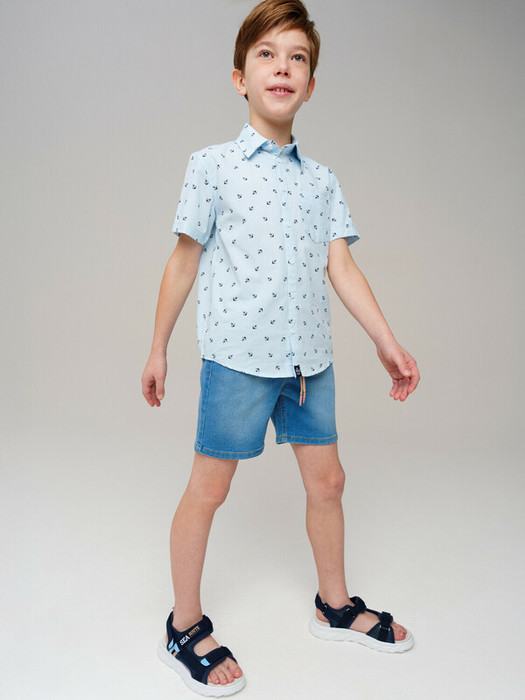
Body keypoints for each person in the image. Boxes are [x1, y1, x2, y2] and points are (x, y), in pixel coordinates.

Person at [142, 0, 420, 696]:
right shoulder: (211, 166)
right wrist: (158, 347)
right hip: (237, 360)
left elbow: (341, 267)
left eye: (297, 57)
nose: (282, 67)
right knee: (209, 489)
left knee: (329, 483)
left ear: (310, 85)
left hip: (308, 365)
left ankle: (334, 604)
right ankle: (183, 624)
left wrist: (386, 340)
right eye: (267, 54)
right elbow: (183, 260)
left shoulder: (321, 180)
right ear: (240, 78)